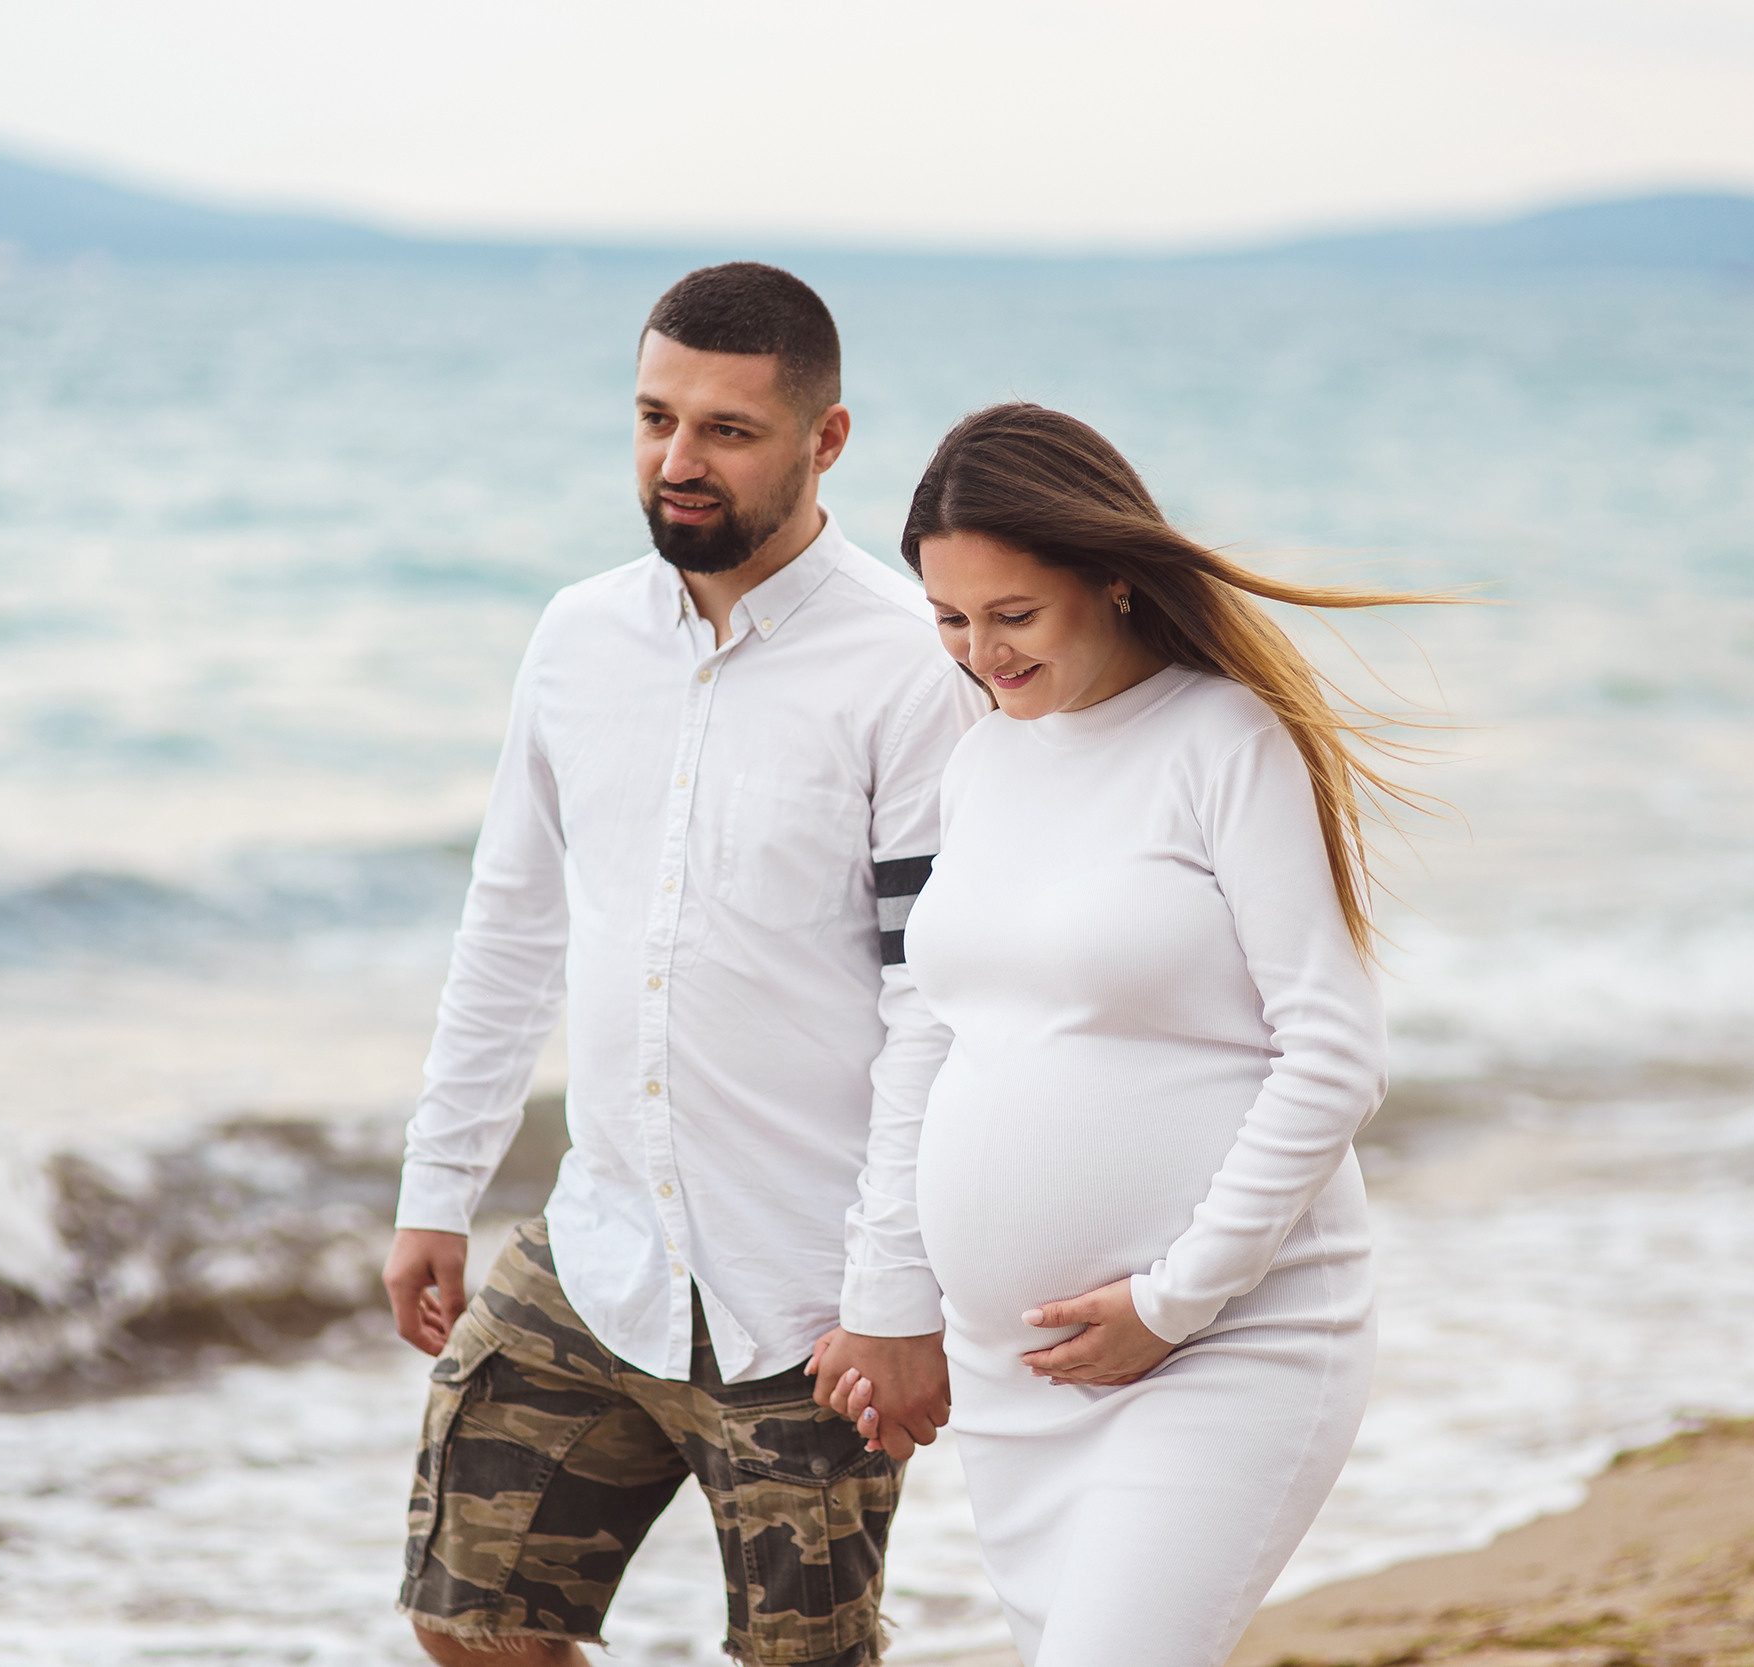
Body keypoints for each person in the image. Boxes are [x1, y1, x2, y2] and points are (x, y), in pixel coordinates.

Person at [381, 263, 987, 1667]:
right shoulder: (576, 636)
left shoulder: (912, 666)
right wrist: (438, 1183)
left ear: (826, 441)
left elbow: (934, 1001)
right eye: (655, 417)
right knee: (467, 1619)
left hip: (806, 1300)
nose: (678, 460)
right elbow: (512, 920)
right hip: (601, 1252)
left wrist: (894, 1294)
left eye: (728, 428)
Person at [831, 403, 1450, 1667]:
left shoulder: (1222, 740)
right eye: (950, 620)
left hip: (1229, 1341)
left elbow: (1335, 1052)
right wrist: (889, 1283)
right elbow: (939, 1037)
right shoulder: (985, 762)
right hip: (1019, 1377)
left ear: (1109, 576)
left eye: (1014, 615)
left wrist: (1174, 1302)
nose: (981, 654)